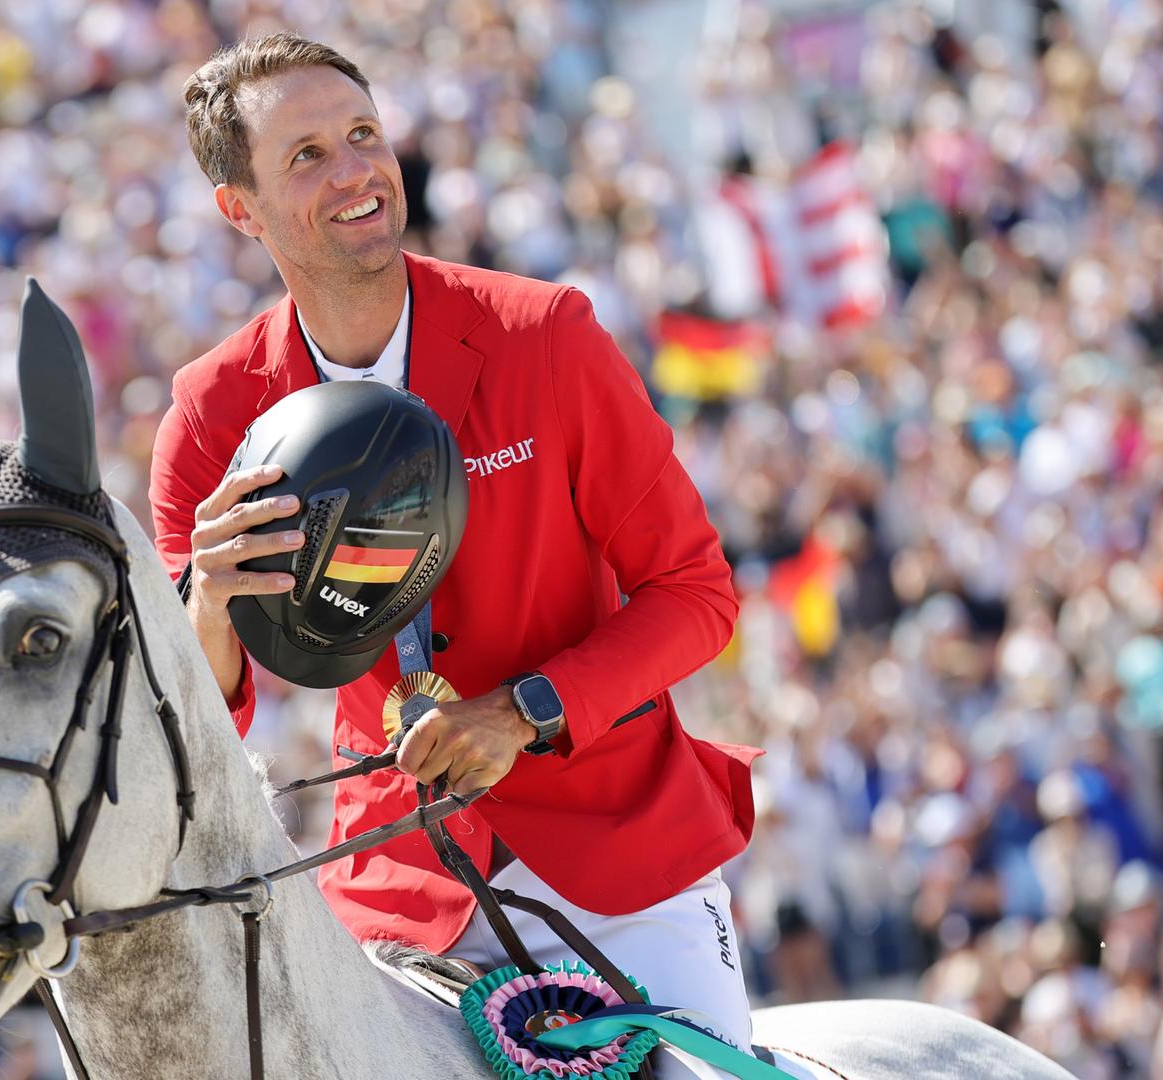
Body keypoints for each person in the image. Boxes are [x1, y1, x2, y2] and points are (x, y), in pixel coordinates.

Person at [149, 33, 762, 1074]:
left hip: (621, 856)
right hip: (395, 888)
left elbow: (696, 593)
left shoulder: (546, 334)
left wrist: (526, 710)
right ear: (239, 209)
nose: (355, 171)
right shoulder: (211, 414)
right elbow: (205, 716)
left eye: (362, 135)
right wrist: (205, 603)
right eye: (306, 155)